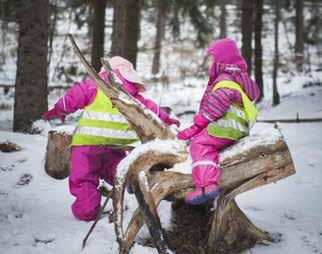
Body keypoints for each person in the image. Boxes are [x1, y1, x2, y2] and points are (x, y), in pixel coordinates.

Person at [43, 56, 180, 221]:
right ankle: (129, 180)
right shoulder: (134, 96)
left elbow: (71, 98)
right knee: (117, 169)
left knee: (84, 177)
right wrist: (169, 120)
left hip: (88, 143)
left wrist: (59, 110)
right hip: (117, 144)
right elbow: (152, 111)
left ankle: (87, 210)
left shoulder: (93, 86)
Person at [177, 38, 260, 205]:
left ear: (220, 60)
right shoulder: (237, 78)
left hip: (225, 125)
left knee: (200, 144)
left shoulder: (224, 79)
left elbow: (215, 108)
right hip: (237, 127)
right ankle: (206, 184)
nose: (209, 63)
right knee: (206, 140)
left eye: (211, 59)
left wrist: (196, 126)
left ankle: (207, 186)